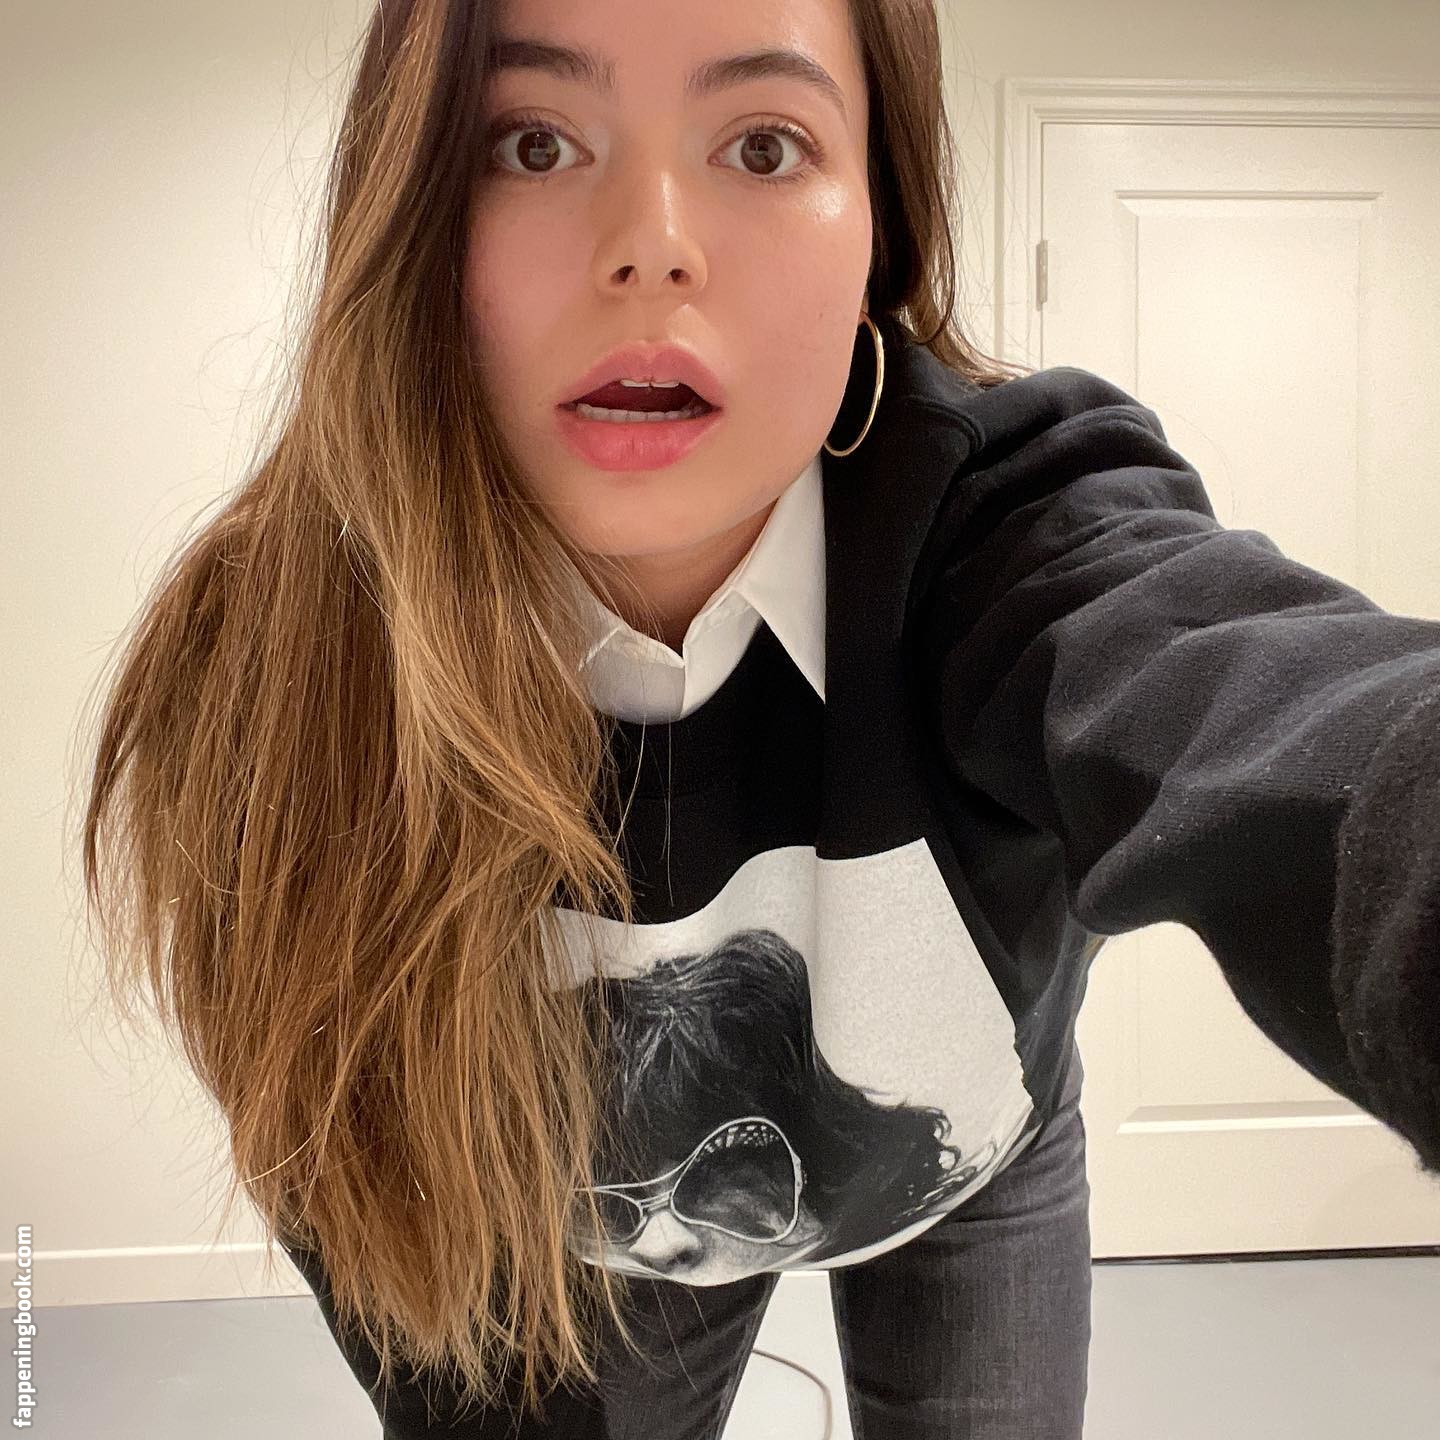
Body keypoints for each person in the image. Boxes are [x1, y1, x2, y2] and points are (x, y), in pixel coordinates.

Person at [79, 0, 1440, 1437]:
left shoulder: (1006, 526)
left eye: (765, 145)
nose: (652, 244)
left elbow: (1284, 715)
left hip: (963, 1158)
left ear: (878, 240)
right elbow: (365, 1176)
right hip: (616, 1213)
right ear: (409, 211)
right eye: (534, 142)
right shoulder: (284, 652)